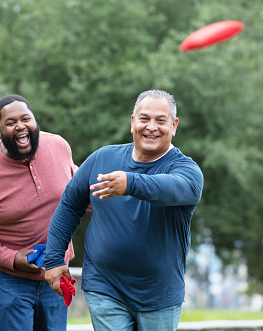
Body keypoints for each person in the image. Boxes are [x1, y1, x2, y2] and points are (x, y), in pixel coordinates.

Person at [44, 89, 204, 331]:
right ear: (132, 122)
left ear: (174, 126)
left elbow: (173, 189)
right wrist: (54, 259)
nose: (151, 127)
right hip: (104, 286)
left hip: (159, 295)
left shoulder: (186, 171)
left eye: (161, 120)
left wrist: (130, 183)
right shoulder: (102, 159)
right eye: (144, 119)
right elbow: (69, 205)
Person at [0, 94, 76, 331]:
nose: (20, 126)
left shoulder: (59, 146)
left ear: (34, 121)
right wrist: (11, 259)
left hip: (56, 274)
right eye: (11, 123)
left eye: (26, 119)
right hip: (9, 283)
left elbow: (78, 190)